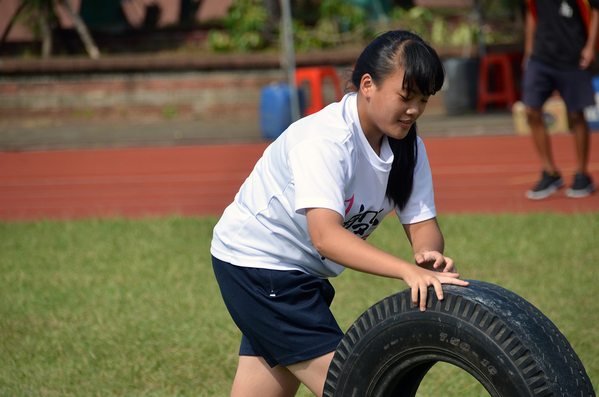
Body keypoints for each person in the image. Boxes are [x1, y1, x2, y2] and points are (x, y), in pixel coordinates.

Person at [210, 30, 469, 397]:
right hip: (260, 266)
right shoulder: (326, 140)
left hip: (301, 275)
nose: (414, 110)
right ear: (368, 85)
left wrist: (427, 257)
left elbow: (424, 224)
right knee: (360, 388)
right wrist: (404, 270)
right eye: (405, 96)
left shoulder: (409, 147)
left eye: (424, 100)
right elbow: (326, 237)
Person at [523, 0, 599, 199]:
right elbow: (532, 13)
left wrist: (591, 47)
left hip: (574, 56)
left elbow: (596, 10)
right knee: (531, 110)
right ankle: (550, 172)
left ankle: (582, 175)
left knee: (576, 115)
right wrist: (529, 51)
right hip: (541, 57)